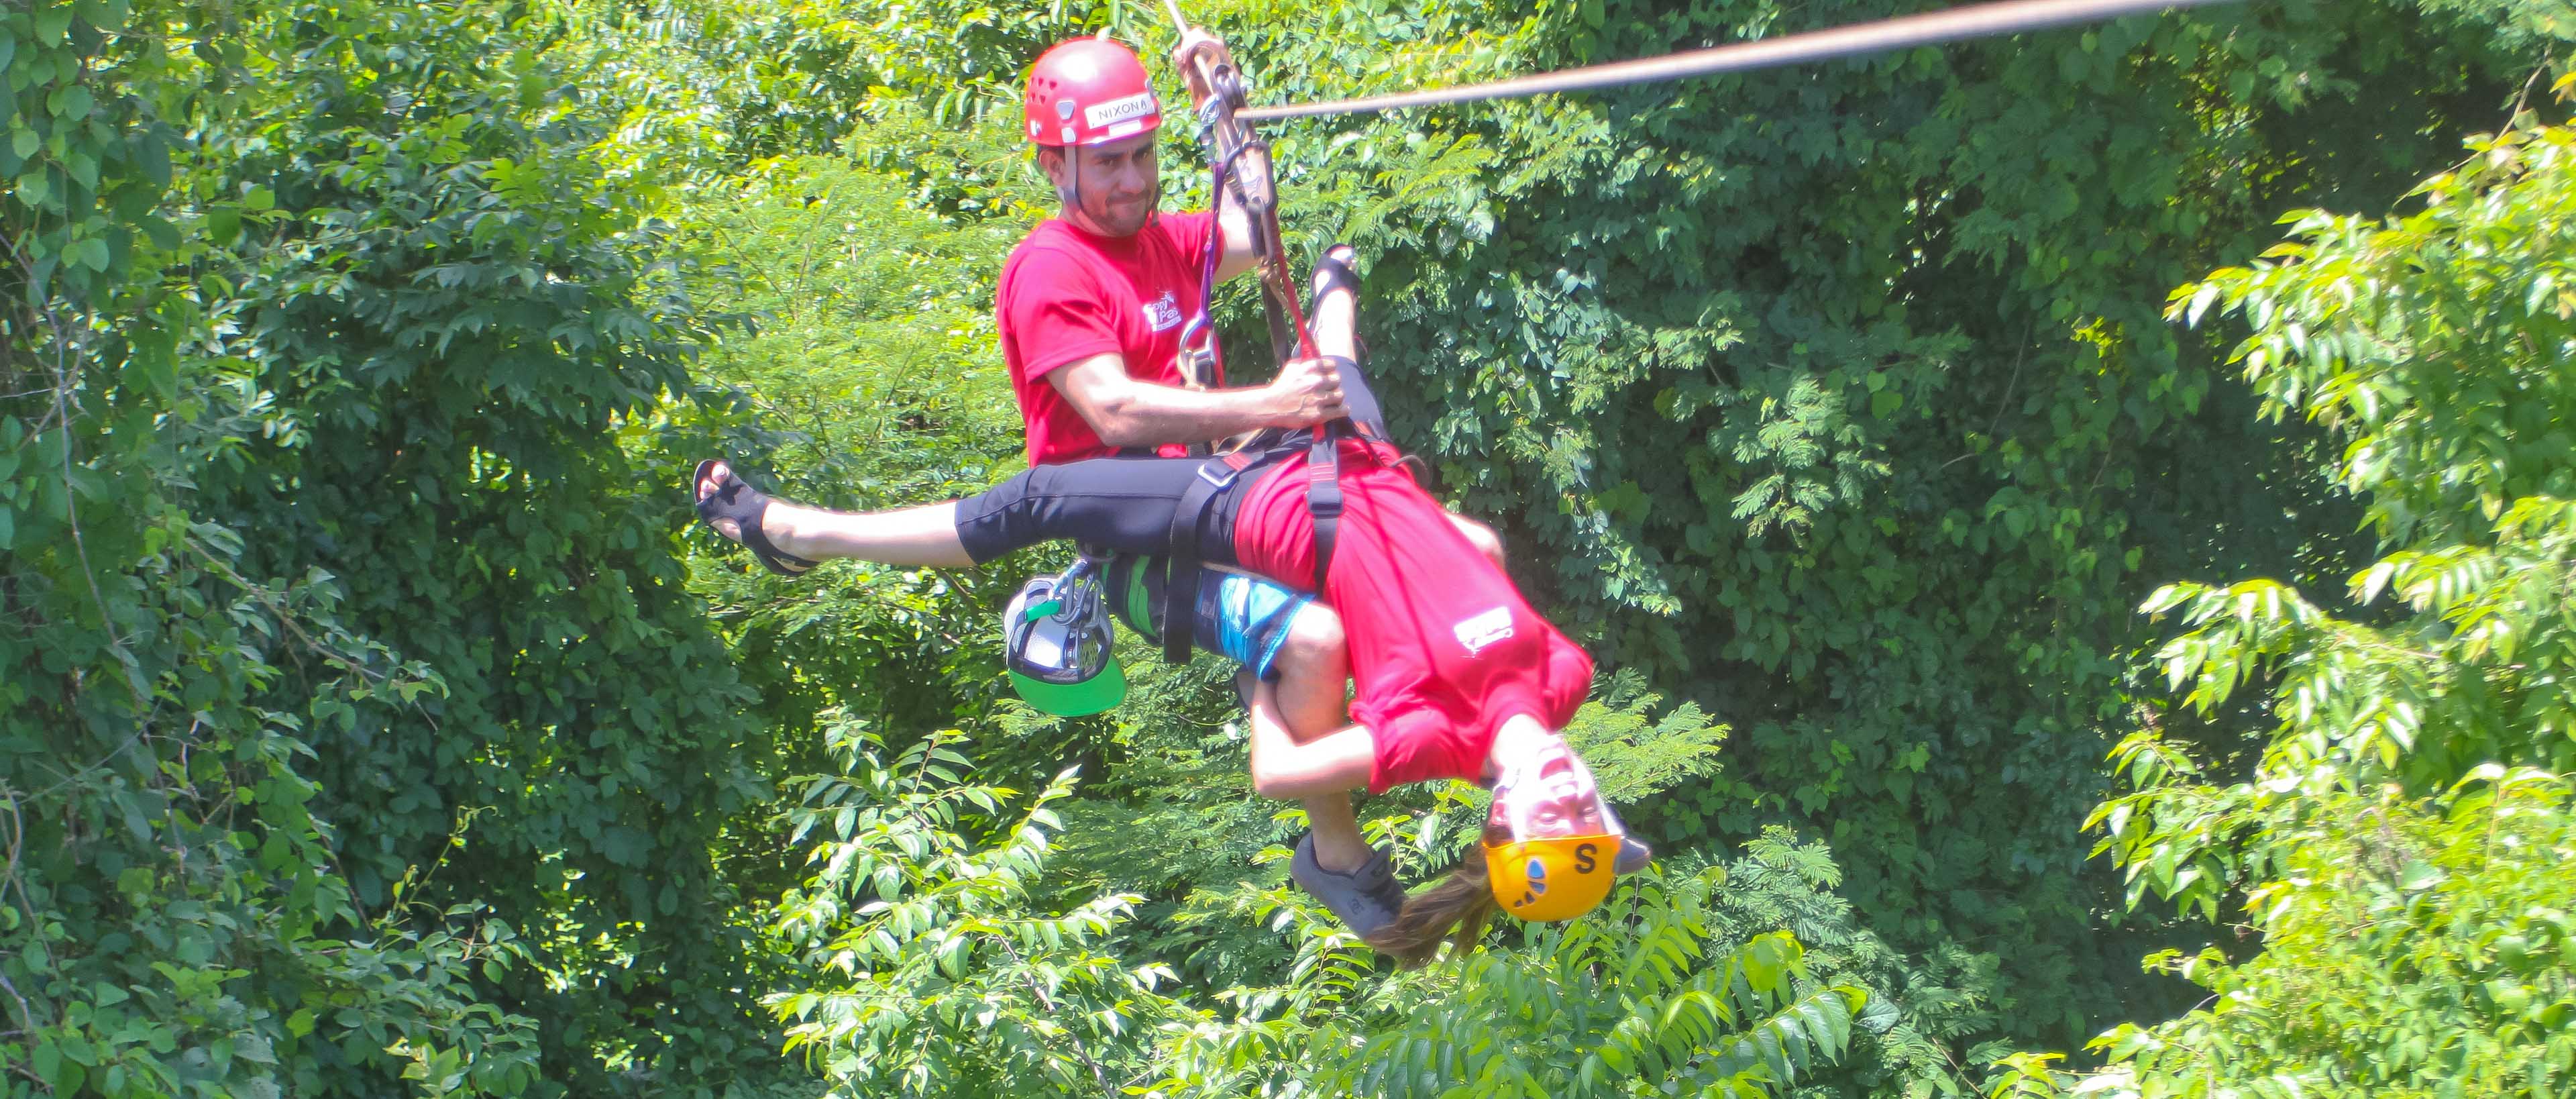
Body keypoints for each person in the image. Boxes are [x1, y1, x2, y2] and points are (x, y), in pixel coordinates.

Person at [694, 249, 1647, 961]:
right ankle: (1331, 278)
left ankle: (796, 530)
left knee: (1043, 497)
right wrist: (1429, 546)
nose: (1570, 792)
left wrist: (1262, 677)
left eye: (1548, 817)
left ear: (1500, 820)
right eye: (1588, 812)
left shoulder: (1431, 736)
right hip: (1371, 473)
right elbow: (1475, 553)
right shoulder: (1566, 676)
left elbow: (1281, 772)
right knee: (1338, 352)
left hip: (1278, 515)